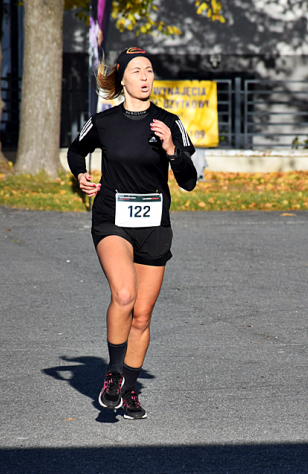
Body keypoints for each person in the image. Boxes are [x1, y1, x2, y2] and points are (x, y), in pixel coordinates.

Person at [67, 47, 198, 419]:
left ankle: (129, 389)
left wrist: (172, 149)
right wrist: (81, 175)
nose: (145, 77)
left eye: (150, 71)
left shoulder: (169, 122)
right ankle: (113, 373)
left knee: (142, 316)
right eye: (137, 71)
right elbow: (77, 151)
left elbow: (188, 181)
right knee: (124, 295)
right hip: (113, 219)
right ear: (122, 78)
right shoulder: (103, 122)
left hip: (155, 226)